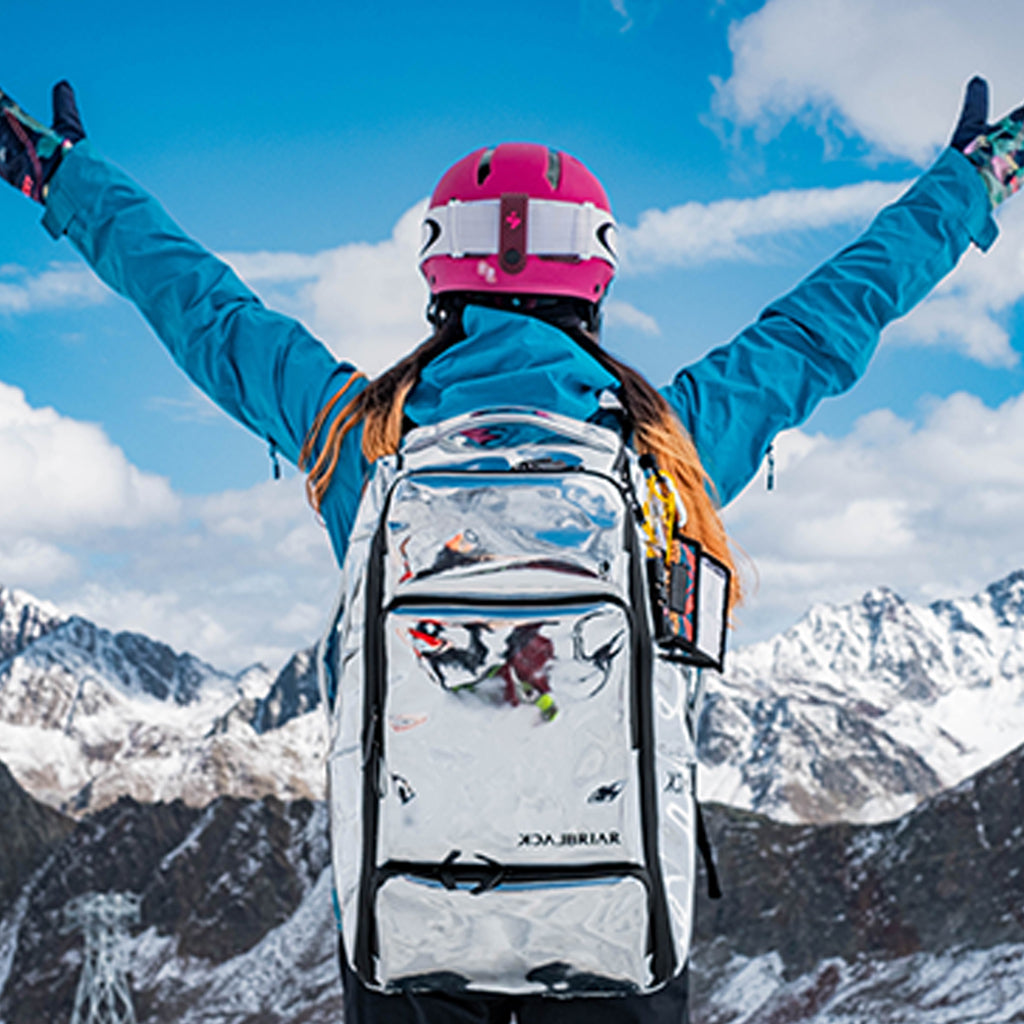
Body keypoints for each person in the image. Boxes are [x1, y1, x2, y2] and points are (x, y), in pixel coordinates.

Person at [1, 77, 1021, 1024]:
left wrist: (66, 176)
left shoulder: (363, 439)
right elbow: (828, 318)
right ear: (597, 274)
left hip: (407, 933)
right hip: (619, 934)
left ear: (440, 271)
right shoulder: (667, 447)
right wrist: (972, 182)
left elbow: (205, 309)